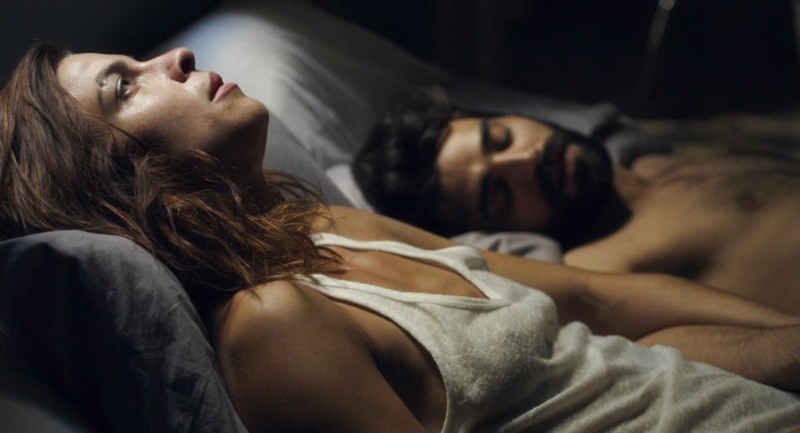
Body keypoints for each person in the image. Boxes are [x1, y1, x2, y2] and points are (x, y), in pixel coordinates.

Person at [2, 45, 800, 433]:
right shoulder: (274, 328)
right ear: (113, 178)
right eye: (124, 85)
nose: (172, 57)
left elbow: (599, 309)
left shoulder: (325, 223)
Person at [353, 86, 800, 315]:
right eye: (500, 192)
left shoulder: (657, 162)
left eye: (502, 138)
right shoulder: (606, 266)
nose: (527, 160)